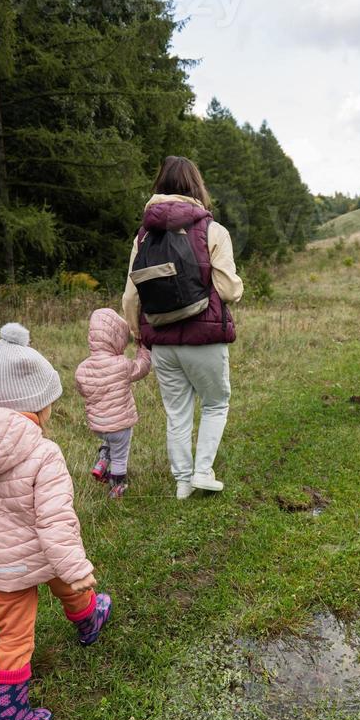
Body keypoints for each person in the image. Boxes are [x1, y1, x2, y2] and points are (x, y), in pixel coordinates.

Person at [0, 323, 114, 720]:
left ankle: (7, 714)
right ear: (36, 405)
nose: (51, 412)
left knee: (14, 637)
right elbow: (56, 521)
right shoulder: (43, 453)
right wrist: (78, 569)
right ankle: (10, 716)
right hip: (43, 553)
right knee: (66, 582)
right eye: (49, 404)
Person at [121, 156, 244, 500]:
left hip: (161, 340)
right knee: (216, 403)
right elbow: (228, 289)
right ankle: (203, 471)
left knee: (177, 412)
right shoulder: (213, 231)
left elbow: (131, 295)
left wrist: (138, 333)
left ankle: (182, 482)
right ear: (197, 187)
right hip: (204, 337)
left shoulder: (143, 236)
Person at [75, 308, 152, 499]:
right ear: (116, 339)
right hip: (121, 425)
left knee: (109, 438)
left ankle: (102, 462)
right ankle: (117, 486)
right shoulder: (122, 364)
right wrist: (143, 350)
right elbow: (141, 369)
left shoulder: (82, 368)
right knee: (120, 454)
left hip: (98, 426)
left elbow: (82, 390)